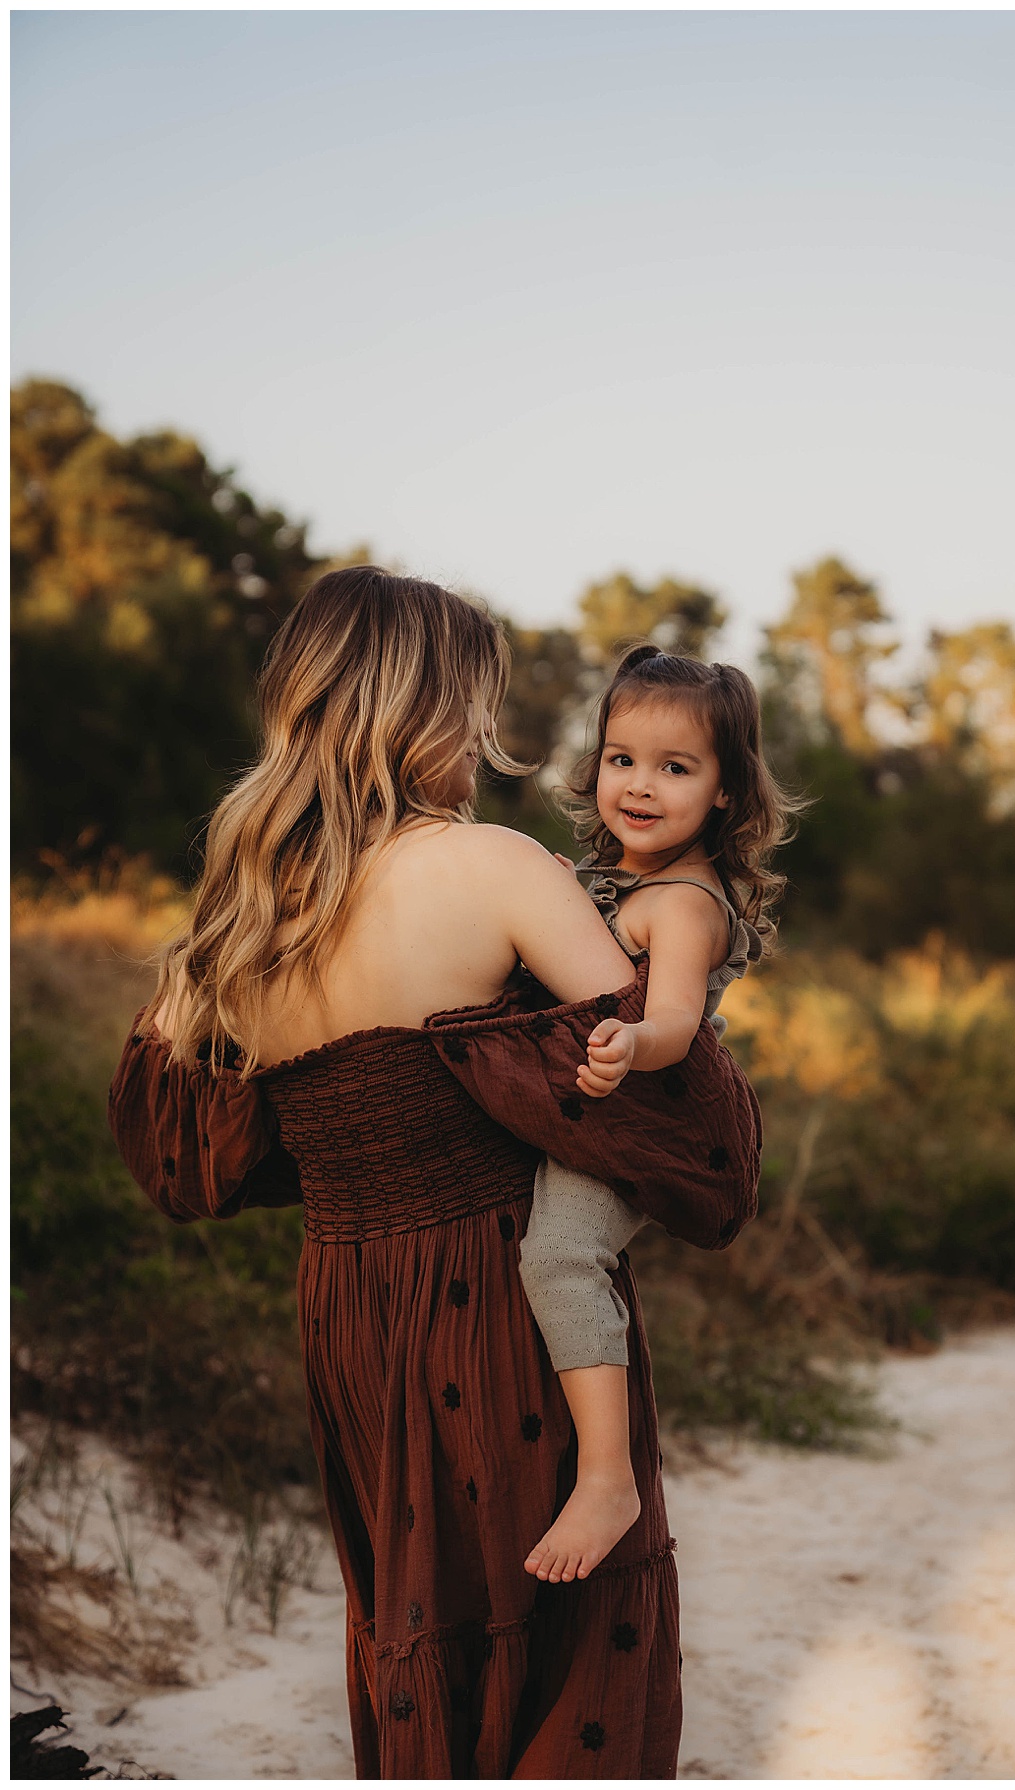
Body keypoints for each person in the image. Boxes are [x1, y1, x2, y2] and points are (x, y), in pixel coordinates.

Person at [107, 566, 763, 1779]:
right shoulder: (493, 866)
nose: (489, 736)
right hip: (494, 1294)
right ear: (427, 709)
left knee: (418, 1620)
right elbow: (672, 1105)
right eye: (480, 702)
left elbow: (179, 1153)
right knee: (560, 1629)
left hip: (350, 1304)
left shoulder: (244, 910)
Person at [520, 645, 794, 1588]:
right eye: (622, 759)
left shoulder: (682, 903)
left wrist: (632, 1043)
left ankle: (608, 1479)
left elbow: (675, 1018)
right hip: (592, 1108)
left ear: (725, 792)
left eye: (676, 769)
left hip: (638, 1119)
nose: (640, 785)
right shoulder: (619, 879)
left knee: (560, 1254)